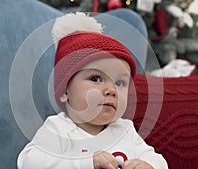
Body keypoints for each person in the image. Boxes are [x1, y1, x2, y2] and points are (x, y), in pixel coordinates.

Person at [17, 12, 168, 169]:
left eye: (120, 82)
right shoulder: (59, 129)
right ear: (64, 91)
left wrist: (149, 166)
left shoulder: (125, 130)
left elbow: (159, 161)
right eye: (96, 79)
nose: (111, 90)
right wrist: (86, 163)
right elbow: (29, 162)